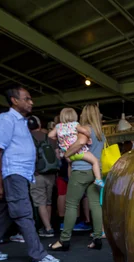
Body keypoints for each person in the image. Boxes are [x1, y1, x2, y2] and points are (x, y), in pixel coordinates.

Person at [0, 86, 60, 262]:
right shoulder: (6, 120)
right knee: (24, 213)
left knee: (3, 213)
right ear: (14, 100)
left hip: (21, 174)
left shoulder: (20, 122)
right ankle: (38, 255)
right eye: (27, 98)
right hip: (13, 173)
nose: (31, 102)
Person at [49, 104, 104, 251]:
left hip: (80, 171)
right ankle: (98, 237)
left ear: (84, 115)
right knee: (95, 204)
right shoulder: (100, 133)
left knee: (71, 205)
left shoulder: (84, 131)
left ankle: (64, 240)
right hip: (95, 171)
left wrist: (66, 154)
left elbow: (80, 142)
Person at [48, 108, 104, 187]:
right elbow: (84, 132)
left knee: (70, 165)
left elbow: (50, 136)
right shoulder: (75, 124)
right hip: (79, 152)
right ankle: (98, 179)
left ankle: (71, 182)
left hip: (67, 153)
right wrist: (89, 137)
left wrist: (59, 138)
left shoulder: (58, 127)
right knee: (95, 161)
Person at [27, 115, 57, 237]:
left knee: (40, 202)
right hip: (51, 174)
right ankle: (47, 225)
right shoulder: (49, 138)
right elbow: (57, 156)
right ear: (39, 125)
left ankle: (48, 228)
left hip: (37, 174)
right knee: (48, 202)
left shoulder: (27, 139)